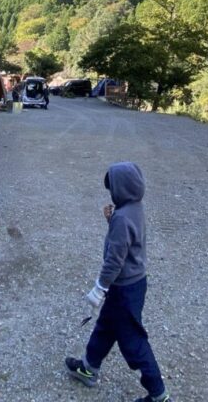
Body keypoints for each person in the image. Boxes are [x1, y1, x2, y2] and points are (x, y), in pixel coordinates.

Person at [65, 162, 171, 402]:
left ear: (120, 190)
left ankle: (159, 395)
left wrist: (99, 287)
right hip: (134, 284)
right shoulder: (134, 209)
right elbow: (126, 241)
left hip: (124, 289)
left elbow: (115, 260)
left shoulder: (122, 219)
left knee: (133, 340)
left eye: (112, 188)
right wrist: (112, 222)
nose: (110, 193)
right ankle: (88, 368)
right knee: (106, 327)